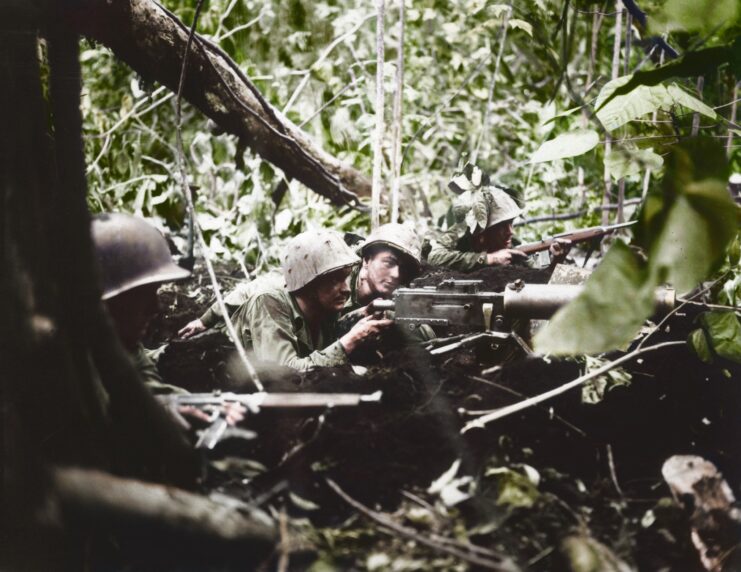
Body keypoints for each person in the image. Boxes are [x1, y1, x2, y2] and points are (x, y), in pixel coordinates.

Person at [92, 212, 244, 426]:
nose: (155, 308)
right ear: (106, 298)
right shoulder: (60, 359)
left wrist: (194, 402)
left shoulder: (123, 343)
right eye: (142, 296)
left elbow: (147, 384)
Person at [178, 223, 424, 338]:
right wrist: (204, 320)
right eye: (388, 263)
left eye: (404, 270)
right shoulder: (332, 276)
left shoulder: (389, 299)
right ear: (367, 260)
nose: (396, 276)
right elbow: (262, 288)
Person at [217, 230, 392, 370]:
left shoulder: (322, 307)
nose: (346, 289)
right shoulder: (269, 304)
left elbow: (329, 334)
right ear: (308, 282)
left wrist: (362, 315)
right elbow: (284, 376)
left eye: (345, 278)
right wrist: (350, 341)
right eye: (334, 280)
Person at [426, 165, 570, 271]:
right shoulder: (462, 231)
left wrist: (556, 259)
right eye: (502, 226)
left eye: (511, 224)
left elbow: (535, 270)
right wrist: (490, 259)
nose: (510, 232)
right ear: (484, 230)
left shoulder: (509, 244)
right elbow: (435, 257)